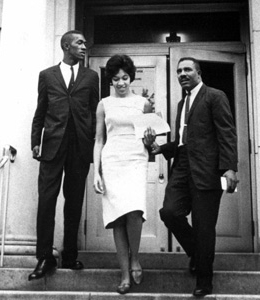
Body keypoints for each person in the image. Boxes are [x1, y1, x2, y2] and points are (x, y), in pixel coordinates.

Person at [151, 57, 238, 297]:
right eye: (179, 71)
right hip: (181, 167)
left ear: (198, 73)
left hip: (207, 171)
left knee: (203, 227)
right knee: (169, 212)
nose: (182, 74)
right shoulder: (182, 103)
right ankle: (197, 255)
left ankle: (204, 281)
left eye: (187, 69)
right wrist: (162, 149)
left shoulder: (215, 96)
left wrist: (229, 167)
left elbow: (226, 133)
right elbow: (183, 142)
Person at [29, 30, 99, 281]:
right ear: (66, 46)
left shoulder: (92, 77)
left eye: (84, 42)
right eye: (79, 42)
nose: (84, 46)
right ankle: (45, 257)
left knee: (74, 201)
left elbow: (94, 113)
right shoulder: (47, 75)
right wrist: (35, 141)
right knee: (47, 200)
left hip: (79, 147)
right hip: (52, 146)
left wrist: (94, 145)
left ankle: (70, 254)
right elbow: (41, 111)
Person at [93, 54, 155, 294]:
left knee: (135, 212)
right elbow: (99, 139)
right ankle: (124, 273)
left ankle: (135, 258)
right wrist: (96, 172)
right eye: (116, 78)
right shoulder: (104, 104)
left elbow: (149, 138)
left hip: (136, 159)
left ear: (131, 78)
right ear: (111, 79)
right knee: (118, 216)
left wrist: (150, 141)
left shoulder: (143, 103)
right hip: (112, 160)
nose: (120, 83)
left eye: (125, 78)